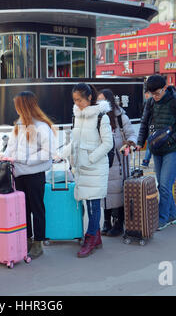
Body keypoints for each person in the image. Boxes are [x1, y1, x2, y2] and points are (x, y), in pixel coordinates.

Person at [0, 91, 56, 259]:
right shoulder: (18, 125)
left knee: (37, 208)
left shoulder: (42, 127)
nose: (16, 109)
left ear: (24, 106)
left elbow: (48, 152)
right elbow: (10, 147)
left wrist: (24, 159)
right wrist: (5, 156)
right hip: (18, 173)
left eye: (17, 106)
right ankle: (27, 239)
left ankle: (38, 242)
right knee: (23, 209)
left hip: (34, 174)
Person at [61, 83, 113, 257]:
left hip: (95, 167)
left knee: (93, 205)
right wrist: (61, 154)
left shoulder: (101, 117)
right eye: (74, 100)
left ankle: (90, 238)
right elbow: (75, 143)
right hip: (81, 168)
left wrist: (90, 159)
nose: (77, 103)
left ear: (89, 97)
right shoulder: (77, 117)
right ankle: (96, 237)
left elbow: (108, 144)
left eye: (80, 100)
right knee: (87, 202)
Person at [136, 75, 176, 231]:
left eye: (157, 93)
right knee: (162, 186)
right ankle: (172, 214)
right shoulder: (150, 103)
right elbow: (144, 124)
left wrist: (170, 140)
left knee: (165, 186)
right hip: (156, 149)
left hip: (171, 150)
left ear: (165, 88)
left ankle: (162, 218)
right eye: (152, 93)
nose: (155, 96)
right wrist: (140, 143)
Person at [98, 89, 137, 237]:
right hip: (103, 161)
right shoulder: (97, 117)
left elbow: (131, 134)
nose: (100, 103)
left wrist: (129, 143)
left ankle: (119, 223)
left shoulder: (121, 117)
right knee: (104, 192)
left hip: (119, 161)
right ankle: (106, 221)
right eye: (98, 100)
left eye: (103, 100)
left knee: (119, 191)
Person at [141, 90, 152, 167]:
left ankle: (146, 161)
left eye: (148, 93)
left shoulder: (152, 103)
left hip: (152, 127)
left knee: (150, 144)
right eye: (145, 94)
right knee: (149, 144)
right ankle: (146, 161)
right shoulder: (146, 103)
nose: (146, 95)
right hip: (148, 127)